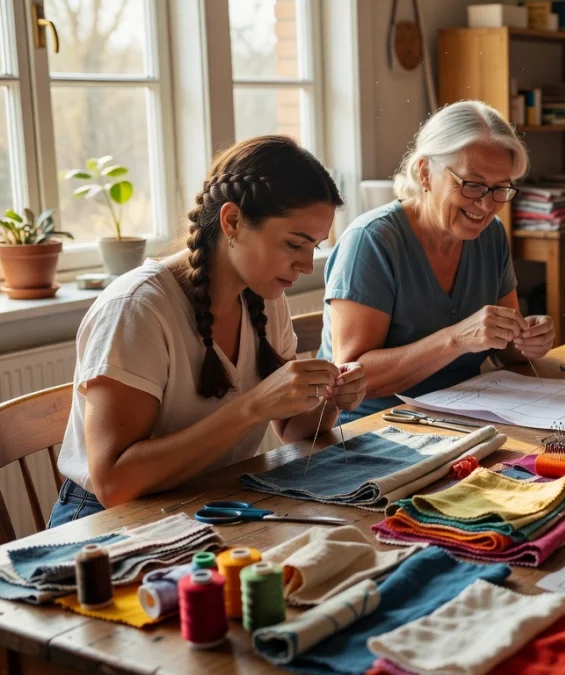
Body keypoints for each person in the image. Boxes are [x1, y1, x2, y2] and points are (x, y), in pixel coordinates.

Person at [49, 135, 365, 526]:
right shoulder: (136, 309)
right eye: (293, 244)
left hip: (208, 501)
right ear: (232, 221)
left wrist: (329, 398)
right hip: (106, 523)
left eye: (313, 247)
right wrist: (252, 407)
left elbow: (292, 430)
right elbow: (114, 485)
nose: (305, 265)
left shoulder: (265, 298)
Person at [321, 101, 554, 421]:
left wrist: (527, 340)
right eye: (472, 184)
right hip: (374, 428)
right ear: (425, 172)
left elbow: (505, 353)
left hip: (464, 417)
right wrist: (456, 338)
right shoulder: (372, 240)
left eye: (500, 189)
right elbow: (350, 377)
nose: (486, 205)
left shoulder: (491, 235)